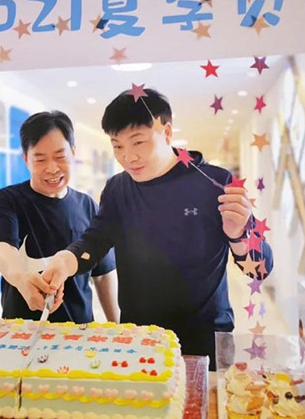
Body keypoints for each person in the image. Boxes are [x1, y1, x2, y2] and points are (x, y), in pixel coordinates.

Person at [41, 88, 273, 368]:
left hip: (204, 340)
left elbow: (259, 269)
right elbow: (95, 240)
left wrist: (238, 235)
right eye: (117, 146)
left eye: (138, 142)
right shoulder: (117, 188)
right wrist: (65, 261)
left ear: (166, 132)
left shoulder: (215, 183)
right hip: (139, 339)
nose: (128, 157)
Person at [0, 111, 119, 323]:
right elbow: (3, 250)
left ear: (73, 153)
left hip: (80, 331)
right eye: (40, 159)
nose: (52, 168)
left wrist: (116, 327)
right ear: (26, 159)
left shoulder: (88, 206)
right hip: (22, 331)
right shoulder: (8, 200)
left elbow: (103, 275)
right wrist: (21, 279)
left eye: (60, 157)